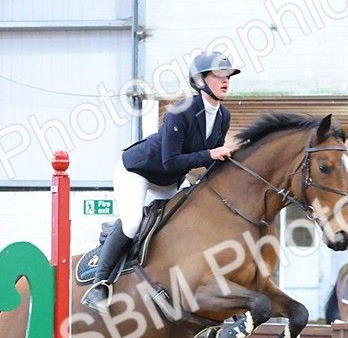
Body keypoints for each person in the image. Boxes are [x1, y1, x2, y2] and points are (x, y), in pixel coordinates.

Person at [82, 51, 242, 311]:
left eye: (228, 77)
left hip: (169, 181)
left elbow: (210, 162)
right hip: (137, 170)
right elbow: (171, 161)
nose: (226, 81)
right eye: (219, 76)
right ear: (200, 81)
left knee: (173, 230)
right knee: (133, 223)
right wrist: (210, 154)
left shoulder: (223, 116)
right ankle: (99, 285)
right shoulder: (181, 112)